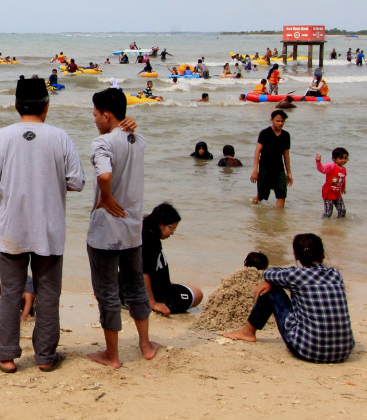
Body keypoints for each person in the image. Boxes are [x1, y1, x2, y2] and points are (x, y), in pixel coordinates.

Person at [0, 77, 86, 373]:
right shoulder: (60, 137)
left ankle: (6, 357)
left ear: (16, 105)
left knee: (12, 292)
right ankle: (44, 357)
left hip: (12, 227)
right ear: (46, 106)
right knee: (49, 293)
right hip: (49, 228)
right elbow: (77, 182)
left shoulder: (1, 137)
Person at [85, 88, 157, 368]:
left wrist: (105, 196)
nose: (94, 121)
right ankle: (146, 345)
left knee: (107, 292)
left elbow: (104, 174)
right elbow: (130, 135)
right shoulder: (139, 139)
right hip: (132, 229)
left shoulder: (102, 142)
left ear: (106, 115)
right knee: (136, 286)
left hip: (106, 231)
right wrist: (129, 125)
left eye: (95, 115)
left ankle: (112, 354)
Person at [223, 234, 354, 364]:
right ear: (323, 253)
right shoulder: (336, 274)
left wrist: (271, 282)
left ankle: (247, 332)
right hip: (343, 350)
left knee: (272, 290)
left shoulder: (295, 275)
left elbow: (268, 272)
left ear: (296, 256)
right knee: (275, 284)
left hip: (309, 350)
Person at [141, 203, 203, 317]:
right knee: (197, 294)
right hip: (159, 295)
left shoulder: (142, 229)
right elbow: (144, 273)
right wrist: (153, 303)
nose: (172, 233)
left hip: (131, 287)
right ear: (161, 224)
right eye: (172, 228)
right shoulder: (150, 241)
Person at [251, 110, 292, 207]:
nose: (280, 123)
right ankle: (252, 209)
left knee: (282, 196)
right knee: (261, 196)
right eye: (278, 121)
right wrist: (255, 170)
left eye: (282, 121)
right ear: (272, 120)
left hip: (279, 169)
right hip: (265, 169)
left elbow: (286, 155)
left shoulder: (286, 135)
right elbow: (257, 151)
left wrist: (289, 172)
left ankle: (278, 220)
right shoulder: (265, 133)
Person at [316, 147, 348, 219]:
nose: (343, 160)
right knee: (328, 213)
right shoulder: (331, 166)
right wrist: (318, 162)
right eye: (341, 158)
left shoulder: (344, 169)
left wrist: (343, 188)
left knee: (342, 210)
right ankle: (324, 225)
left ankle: (339, 226)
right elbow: (322, 169)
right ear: (334, 159)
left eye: (345, 158)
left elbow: (343, 179)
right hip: (328, 192)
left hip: (337, 193)